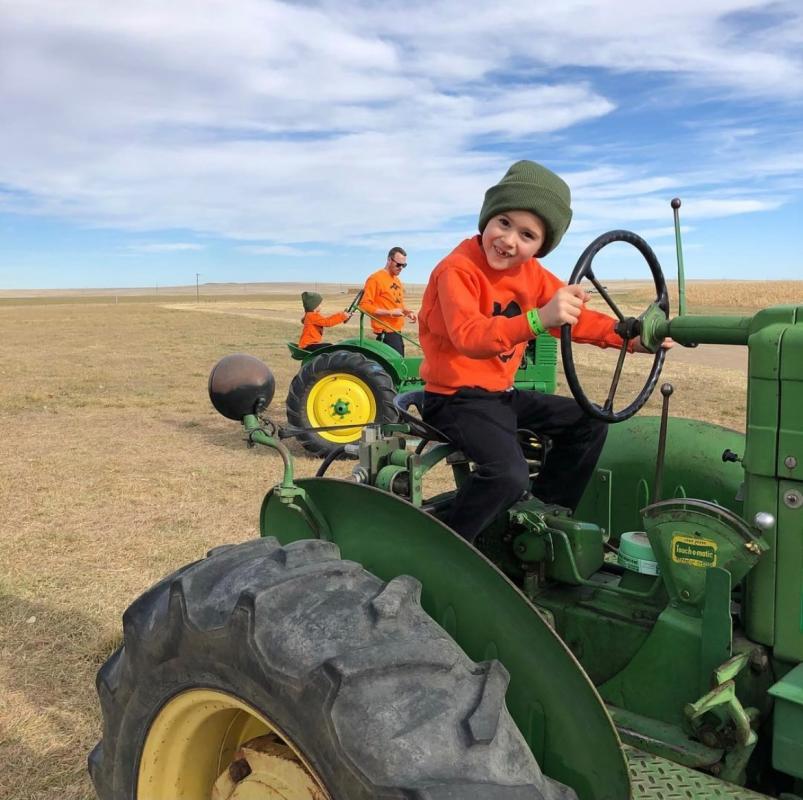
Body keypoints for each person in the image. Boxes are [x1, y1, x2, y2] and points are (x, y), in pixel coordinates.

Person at [418, 160, 672, 543]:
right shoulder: (458, 270)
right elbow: (469, 336)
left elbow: (575, 318)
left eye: (527, 235)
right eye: (503, 222)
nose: (509, 240)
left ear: (541, 246)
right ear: (486, 218)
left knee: (589, 422)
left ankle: (540, 517)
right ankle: (447, 543)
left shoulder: (531, 274)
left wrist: (630, 337)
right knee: (507, 473)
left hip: (500, 397)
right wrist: (537, 320)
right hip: (454, 398)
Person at [361, 247, 417, 355]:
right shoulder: (375, 279)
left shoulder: (397, 280)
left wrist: (406, 312)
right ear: (389, 260)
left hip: (396, 331)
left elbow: (397, 304)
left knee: (401, 364)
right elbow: (364, 306)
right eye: (398, 264)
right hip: (385, 333)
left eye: (404, 265)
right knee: (397, 367)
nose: (401, 268)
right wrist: (390, 313)